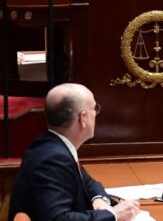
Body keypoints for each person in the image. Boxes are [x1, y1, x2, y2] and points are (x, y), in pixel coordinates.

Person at [10, 83, 141, 221]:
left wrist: (99, 199)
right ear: (83, 118)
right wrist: (114, 215)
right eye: (95, 108)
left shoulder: (51, 145)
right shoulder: (53, 159)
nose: (96, 113)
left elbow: (88, 182)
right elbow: (58, 219)